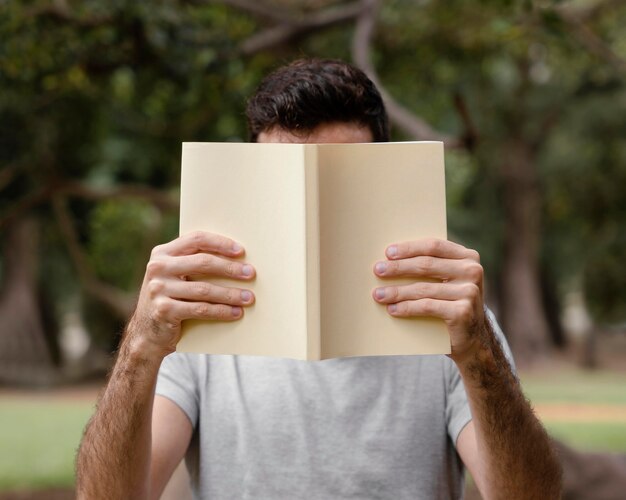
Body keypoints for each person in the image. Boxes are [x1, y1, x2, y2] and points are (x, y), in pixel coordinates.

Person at [76, 59, 561, 499]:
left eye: (346, 184)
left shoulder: (457, 326)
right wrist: (139, 347)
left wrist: (479, 356)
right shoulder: (195, 328)